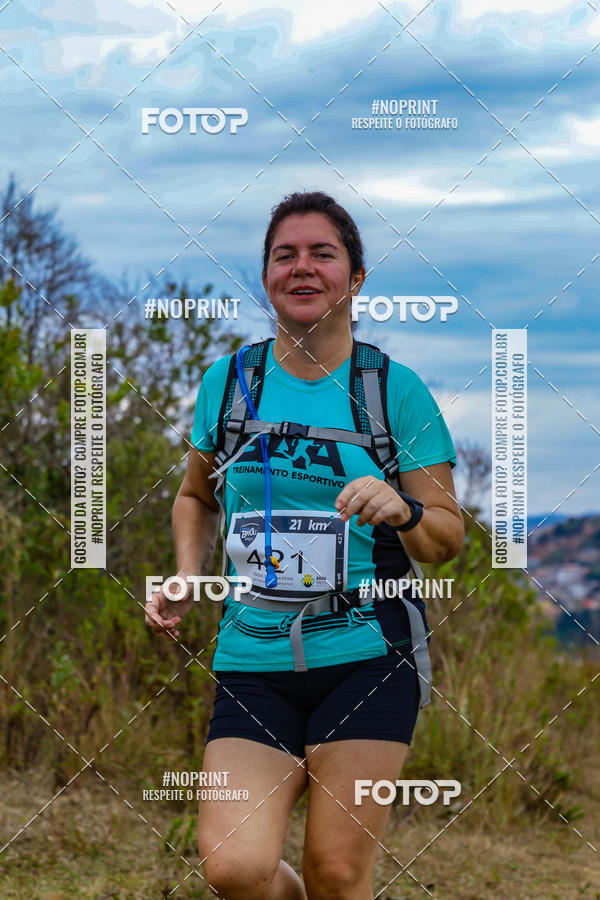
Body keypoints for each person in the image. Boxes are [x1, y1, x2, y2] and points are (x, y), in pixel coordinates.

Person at [145, 191, 464, 899]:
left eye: (324, 253)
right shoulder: (230, 383)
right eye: (284, 255)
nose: (303, 267)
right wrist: (186, 572)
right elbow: (196, 496)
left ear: (356, 277)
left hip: (368, 654)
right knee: (234, 868)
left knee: (336, 874)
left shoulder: (392, 391)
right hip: (252, 654)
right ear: (266, 276)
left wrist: (404, 509)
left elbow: (447, 537)